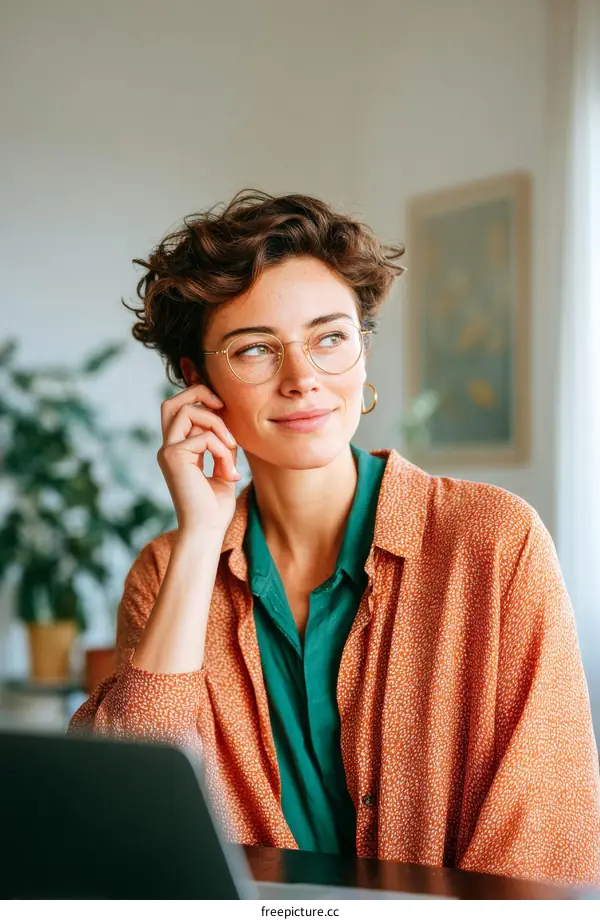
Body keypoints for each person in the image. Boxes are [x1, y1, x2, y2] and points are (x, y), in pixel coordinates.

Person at [68, 189, 600, 888]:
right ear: (198, 381)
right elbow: (132, 825)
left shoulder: (494, 542)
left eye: (329, 337)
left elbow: (542, 841)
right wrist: (199, 536)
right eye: (255, 348)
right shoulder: (165, 572)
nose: (303, 380)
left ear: (363, 349)